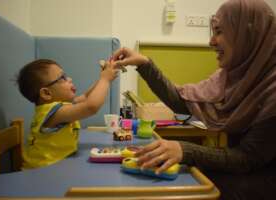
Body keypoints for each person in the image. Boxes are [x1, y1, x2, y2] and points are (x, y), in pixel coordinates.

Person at [112, 0, 276, 199]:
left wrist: (185, 150)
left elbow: (247, 158)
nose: (211, 41)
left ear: (248, 35)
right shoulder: (232, 77)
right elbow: (181, 101)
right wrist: (144, 63)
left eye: (219, 31)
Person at [17, 58, 118, 169]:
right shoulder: (54, 112)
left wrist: (103, 78)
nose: (69, 79)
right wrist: (105, 80)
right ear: (46, 93)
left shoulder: (60, 107)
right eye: (63, 78)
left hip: (55, 168)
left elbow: (85, 98)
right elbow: (91, 107)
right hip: (42, 171)